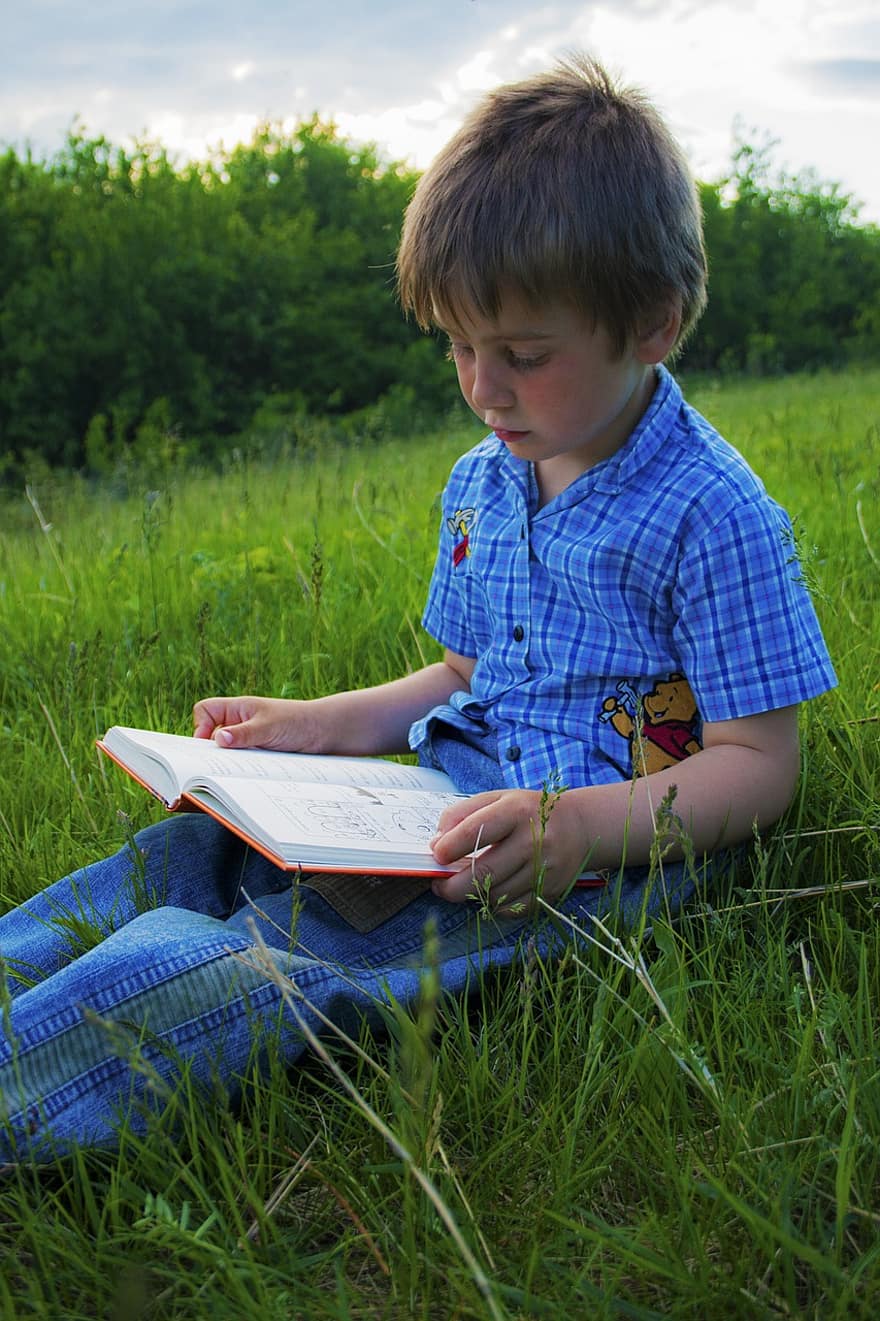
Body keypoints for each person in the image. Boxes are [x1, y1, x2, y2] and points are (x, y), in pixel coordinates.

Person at [0, 55, 836, 1162]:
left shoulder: (712, 515)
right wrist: (311, 724)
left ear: (653, 325)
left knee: (257, 954)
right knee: (188, 860)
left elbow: (761, 766)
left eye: (523, 356)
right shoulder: (485, 478)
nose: (483, 387)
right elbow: (459, 679)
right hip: (437, 803)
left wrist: (575, 825)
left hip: (568, 861)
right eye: (456, 347)